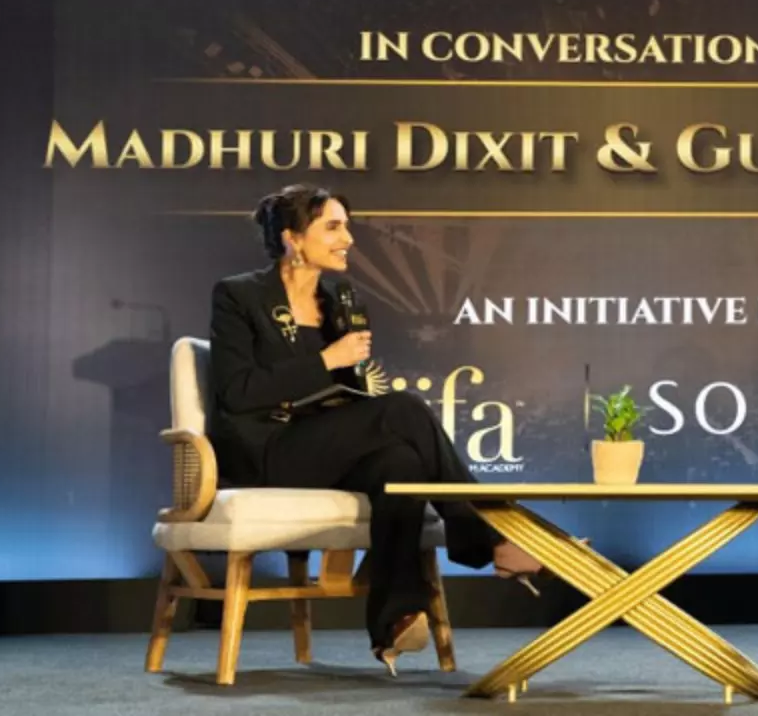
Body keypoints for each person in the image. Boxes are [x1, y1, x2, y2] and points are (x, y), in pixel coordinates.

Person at [208, 183, 544, 675]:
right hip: (268, 449)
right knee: (405, 409)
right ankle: (490, 537)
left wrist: (349, 376)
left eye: (347, 227)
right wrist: (327, 359)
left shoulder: (338, 298)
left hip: (326, 443)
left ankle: (395, 620)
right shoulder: (240, 295)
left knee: (400, 464)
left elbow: (344, 390)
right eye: (333, 227)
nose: (348, 239)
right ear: (292, 238)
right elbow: (237, 391)